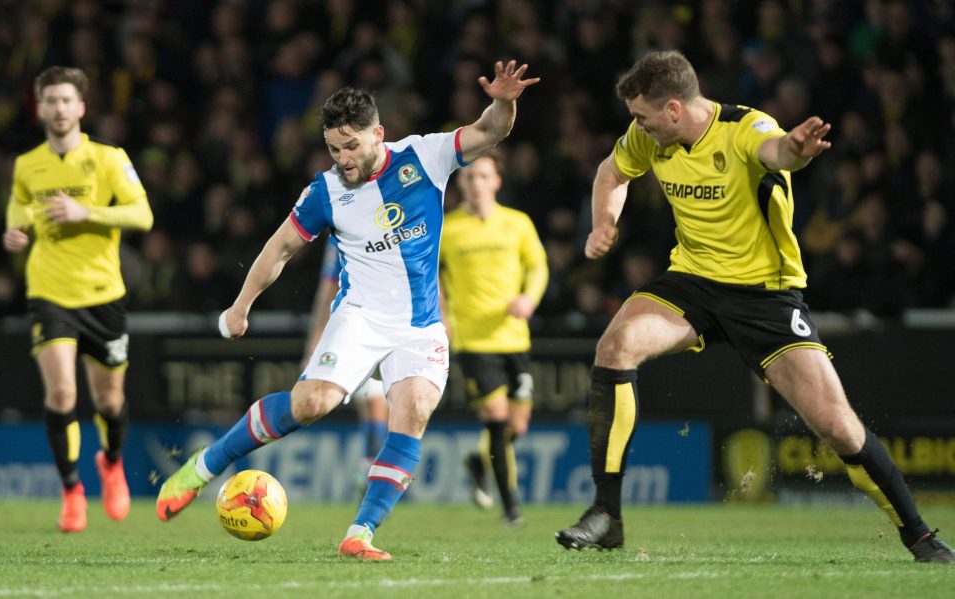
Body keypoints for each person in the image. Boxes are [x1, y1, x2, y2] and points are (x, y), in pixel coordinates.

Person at [554, 50, 955, 564]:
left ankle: (919, 535)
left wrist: (797, 149)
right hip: (692, 282)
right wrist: (605, 221)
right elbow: (612, 173)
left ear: (673, 109)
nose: (639, 127)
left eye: (643, 117)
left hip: (765, 295)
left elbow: (777, 152)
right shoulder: (649, 138)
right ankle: (606, 514)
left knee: (836, 426)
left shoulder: (744, 128)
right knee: (616, 345)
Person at [156, 60, 539, 561]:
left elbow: (492, 129)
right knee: (310, 405)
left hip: (420, 326)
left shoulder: (425, 156)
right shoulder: (326, 191)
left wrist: (505, 100)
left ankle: (359, 533)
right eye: (334, 149)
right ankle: (203, 468)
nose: (343, 159)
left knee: (414, 411)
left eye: (352, 146)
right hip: (359, 316)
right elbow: (279, 249)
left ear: (378, 133)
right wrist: (240, 305)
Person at [1, 66, 153, 532]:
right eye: (51, 100)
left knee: (109, 401)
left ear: (81, 107)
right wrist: (16, 231)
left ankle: (111, 462)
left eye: (68, 100)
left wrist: (84, 210)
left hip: (103, 294)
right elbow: (18, 208)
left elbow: (142, 214)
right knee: (62, 392)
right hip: (50, 292)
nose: (60, 108)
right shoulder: (28, 165)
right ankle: (71, 490)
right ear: (40, 107)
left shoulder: (108, 159)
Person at [439, 152, 548, 526]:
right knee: (498, 421)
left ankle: (478, 461)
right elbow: (432, 278)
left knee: (517, 427)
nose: (476, 183)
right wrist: (441, 318)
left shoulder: (517, 224)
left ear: (497, 181)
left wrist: (529, 299)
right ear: (460, 184)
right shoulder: (447, 229)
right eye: (470, 177)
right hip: (473, 341)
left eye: (484, 176)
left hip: (514, 339)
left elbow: (538, 267)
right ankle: (511, 509)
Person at [303, 240, 388, 488]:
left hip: (401, 323)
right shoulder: (341, 236)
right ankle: (372, 468)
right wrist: (316, 339)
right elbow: (328, 288)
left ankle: (375, 465)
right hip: (359, 325)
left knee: (391, 405)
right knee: (372, 400)